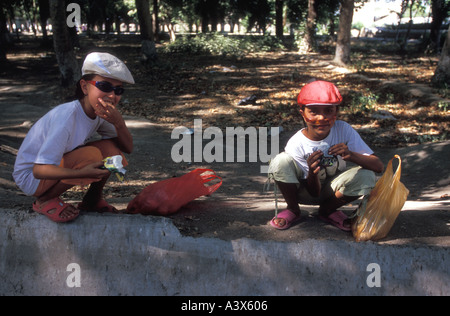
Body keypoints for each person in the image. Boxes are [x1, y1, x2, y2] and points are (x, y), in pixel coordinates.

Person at [13, 52, 135, 223]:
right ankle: (44, 200)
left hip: (52, 167)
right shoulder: (67, 118)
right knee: (91, 156)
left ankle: (91, 200)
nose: (112, 95)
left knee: (112, 152)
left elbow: (126, 148)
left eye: (118, 90)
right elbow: (39, 170)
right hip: (31, 178)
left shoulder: (99, 113)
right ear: (85, 87)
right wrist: (80, 173)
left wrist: (119, 123)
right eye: (105, 86)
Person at [268, 80, 384, 231]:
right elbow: (314, 193)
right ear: (303, 114)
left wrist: (351, 155)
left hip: (333, 191)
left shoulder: (343, 129)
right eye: (314, 111)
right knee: (280, 161)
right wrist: (312, 171)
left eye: (328, 111)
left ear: (336, 112)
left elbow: (378, 166)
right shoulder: (296, 143)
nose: (321, 118)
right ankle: (293, 209)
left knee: (367, 176)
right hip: (305, 192)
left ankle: (327, 211)